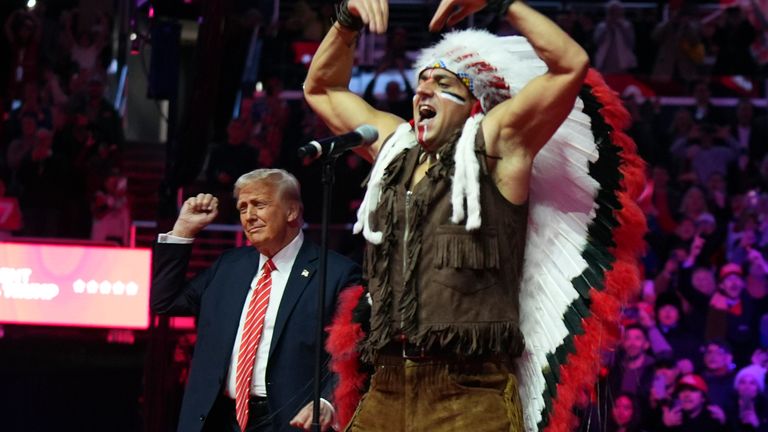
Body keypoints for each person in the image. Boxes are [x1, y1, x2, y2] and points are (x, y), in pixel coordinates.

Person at [306, 0, 644, 430]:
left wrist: (506, 4)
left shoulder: (498, 146)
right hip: (387, 383)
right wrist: (346, 20)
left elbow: (568, 65)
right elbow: (322, 89)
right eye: (421, 82)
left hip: (468, 391)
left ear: (474, 105)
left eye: (442, 83)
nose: (422, 91)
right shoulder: (394, 145)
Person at [150, 168, 361, 431]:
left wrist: (328, 401)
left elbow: (353, 352)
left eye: (259, 205)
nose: (249, 216)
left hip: (287, 421)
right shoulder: (228, 266)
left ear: (292, 211)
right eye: (242, 208)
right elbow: (165, 302)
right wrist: (183, 230)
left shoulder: (337, 273)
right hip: (217, 418)